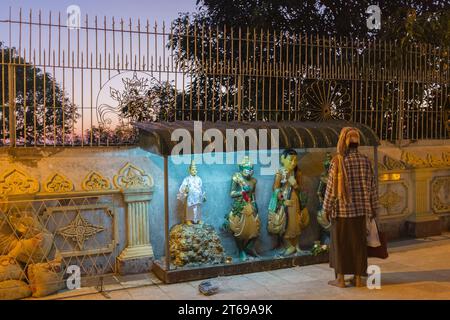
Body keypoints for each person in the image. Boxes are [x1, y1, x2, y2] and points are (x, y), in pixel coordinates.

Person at [323, 127, 379, 288]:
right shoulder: (365, 161)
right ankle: (358, 279)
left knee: (340, 245)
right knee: (358, 245)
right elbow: (372, 187)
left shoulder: (338, 161)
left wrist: (326, 208)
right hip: (361, 212)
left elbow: (331, 189)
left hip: (341, 212)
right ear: (358, 143)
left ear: (343, 142)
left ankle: (340, 279)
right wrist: (374, 208)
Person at [268, 149, 310, 256]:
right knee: (285, 224)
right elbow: (275, 188)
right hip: (285, 200)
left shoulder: (297, 172)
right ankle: (288, 245)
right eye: (290, 160)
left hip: (295, 200)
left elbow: (301, 189)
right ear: (283, 160)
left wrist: (295, 185)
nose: (293, 163)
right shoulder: (280, 173)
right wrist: (282, 199)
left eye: (295, 160)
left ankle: (296, 245)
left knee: (296, 222)